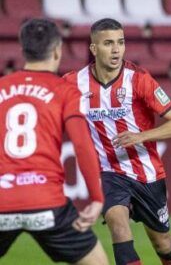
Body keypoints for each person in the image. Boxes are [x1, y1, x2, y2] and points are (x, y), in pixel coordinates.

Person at [63, 18, 171, 265]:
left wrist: (141, 136)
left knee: (162, 244)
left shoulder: (139, 79)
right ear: (93, 49)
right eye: (108, 43)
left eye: (120, 42)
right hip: (110, 173)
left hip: (147, 173)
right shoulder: (73, 82)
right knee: (118, 228)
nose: (116, 49)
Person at [0, 18, 108, 264]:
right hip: (47, 203)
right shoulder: (64, 91)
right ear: (58, 49)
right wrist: (96, 198)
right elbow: (82, 145)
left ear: (22, 49)